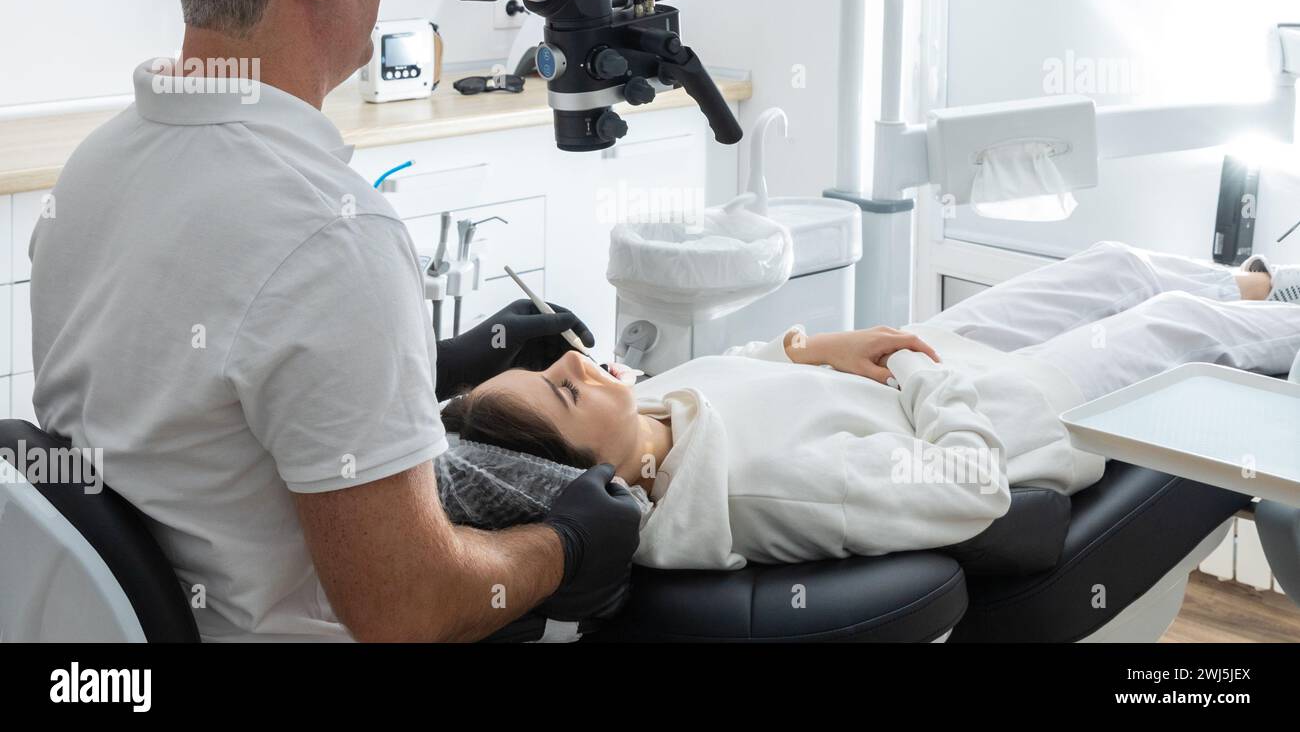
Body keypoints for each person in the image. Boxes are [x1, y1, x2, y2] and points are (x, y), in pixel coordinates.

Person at [27, 0, 640, 641]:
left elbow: (213, 420)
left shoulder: (92, 175)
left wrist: (443, 361)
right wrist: (567, 544)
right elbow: (409, 608)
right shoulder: (328, 235)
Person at [441, 241, 1300, 569]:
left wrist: (815, 351)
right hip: (1012, 413)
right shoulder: (757, 489)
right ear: (594, 480)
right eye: (564, 388)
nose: (583, 362)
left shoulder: (648, 416)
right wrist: (917, 377)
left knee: (1113, 266)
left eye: (562, 361)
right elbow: (969, 485)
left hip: (929, 365)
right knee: (1178, 326)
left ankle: (1272, 286)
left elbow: (734, 370)